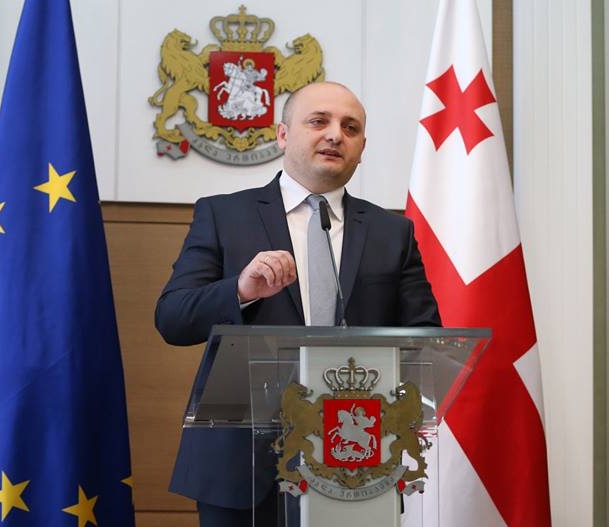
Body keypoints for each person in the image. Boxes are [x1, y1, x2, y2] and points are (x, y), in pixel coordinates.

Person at [155, 81, 441, 526]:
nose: (335, 135)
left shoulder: (392, 232)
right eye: (318, 121)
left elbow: (427, 342)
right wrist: (241, 291)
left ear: (362, 148)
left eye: (350, 128)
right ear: (283, 134)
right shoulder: (222, 215)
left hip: (355, 457)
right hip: (240, 468)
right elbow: (173, 319)